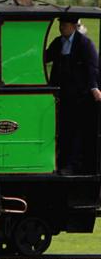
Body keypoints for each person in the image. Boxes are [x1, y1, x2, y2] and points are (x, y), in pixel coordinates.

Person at [45, 17, 101, 173]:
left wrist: (94, 87)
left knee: (75, 130)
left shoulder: (84, 44)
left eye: (64, 25)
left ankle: (73, 165)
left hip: (78, 95)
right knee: (62, 129)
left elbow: (92, 68)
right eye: (60, 25)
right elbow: (46, 56)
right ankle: (60, 162)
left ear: (73, 26)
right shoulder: (58, 42)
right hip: (61, 93)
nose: (61, 28)